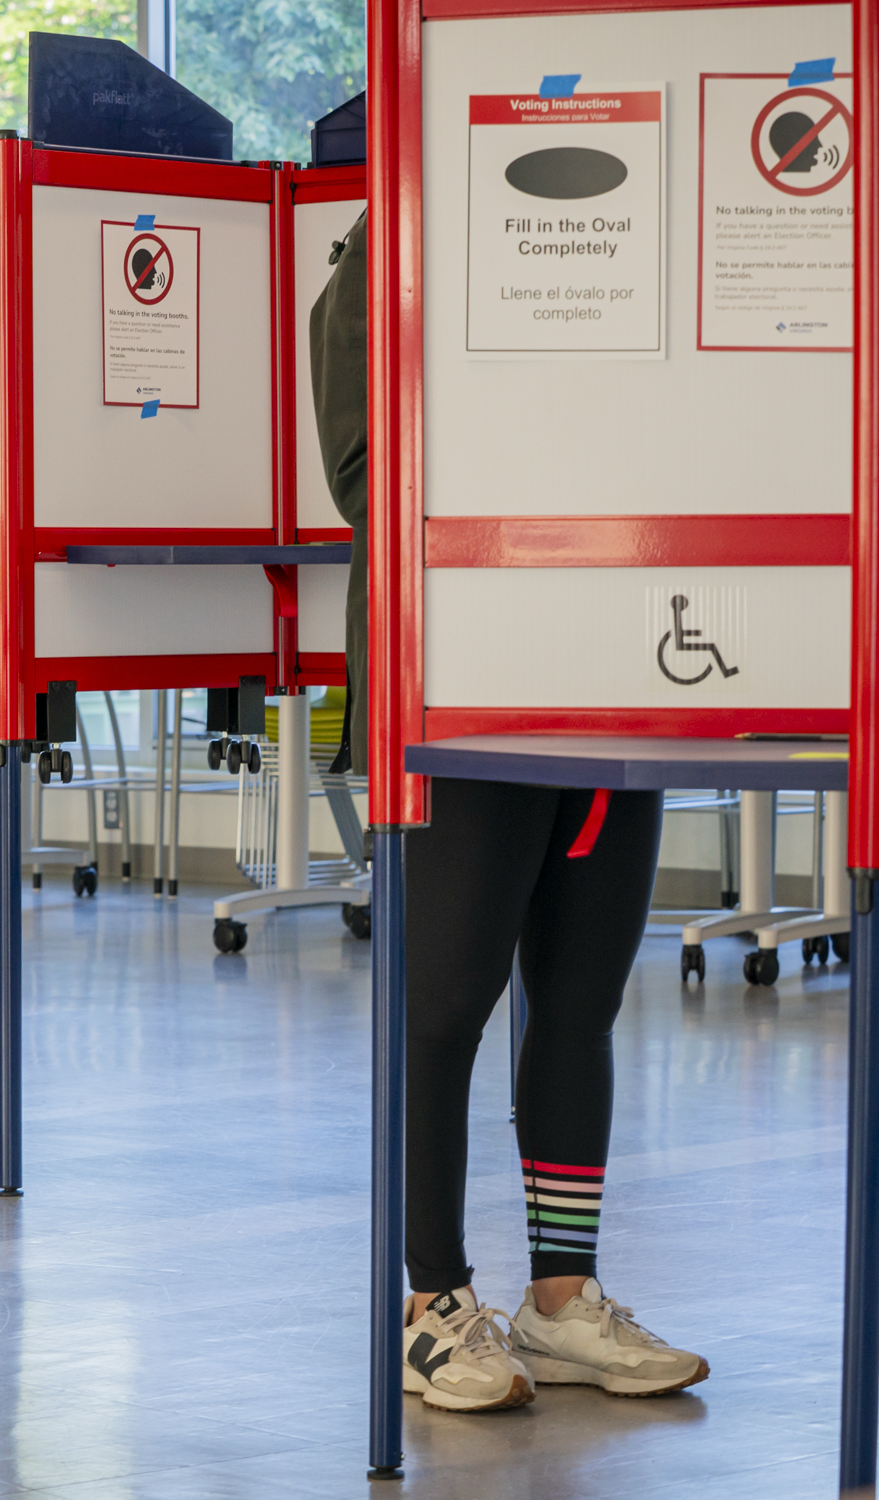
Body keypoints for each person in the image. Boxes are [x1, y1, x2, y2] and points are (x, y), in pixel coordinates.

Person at [307, 211, 709, 1410]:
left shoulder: (642, 233)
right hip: (460, 681)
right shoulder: (396, 248)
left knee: (580, 1006)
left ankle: (562, 1303)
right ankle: (433, 1306)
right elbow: (363, 474)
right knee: (441, 1011)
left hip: (613, 678)